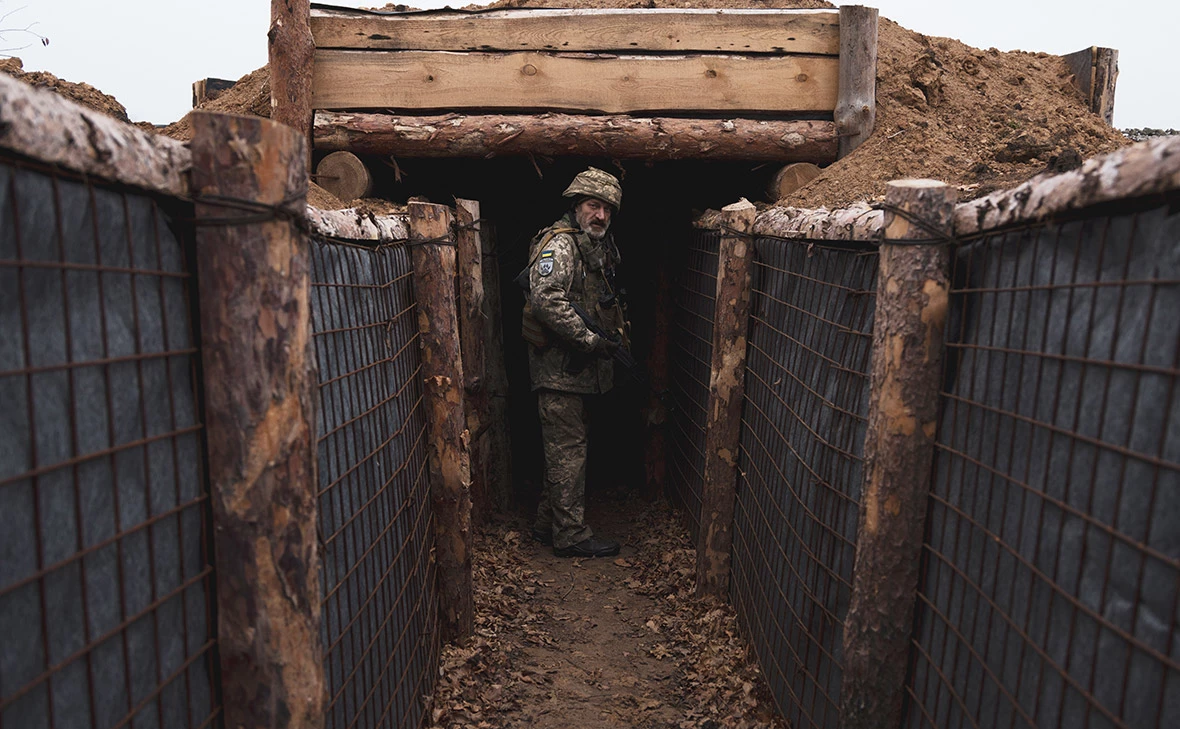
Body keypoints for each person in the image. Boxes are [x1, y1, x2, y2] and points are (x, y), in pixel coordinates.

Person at [521, 167, 629, 558]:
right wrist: (590, 341)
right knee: (568, 451)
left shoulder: (595, 246)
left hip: (576, 373)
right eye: (592, 205)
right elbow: (546, 298)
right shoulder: (562, 246)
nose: (600, 215)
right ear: (577, 206)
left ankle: (545, 523)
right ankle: (570, 535)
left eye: (606, 209)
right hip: (559, 373)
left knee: (565, 450)